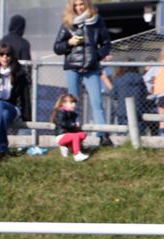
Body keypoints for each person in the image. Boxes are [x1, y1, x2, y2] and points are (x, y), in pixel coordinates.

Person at [54, 0, 112, 146]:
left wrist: (96, 56)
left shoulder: (97, 21)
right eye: (76, 5)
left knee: (97, 103)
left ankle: (103, 135)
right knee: (71, 104)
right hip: (73, 67)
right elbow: (57, 47)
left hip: (91, 68)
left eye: (81, 4)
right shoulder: (68, 23)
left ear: (87, 5)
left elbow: (107, 43)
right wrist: (69, 43)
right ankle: (73, 134)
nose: (79, 8)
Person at [52, 91, 90, 161]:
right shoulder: (61, 112)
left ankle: (70, 147)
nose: (74, 105)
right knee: (75, 136)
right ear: (64, 104)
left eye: (74, 103)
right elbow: (62, 123)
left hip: (68, 135)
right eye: (71, 103)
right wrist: (74, 124)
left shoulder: (72, 114)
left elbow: (72, 128)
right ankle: (77, 155)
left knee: (82, 134)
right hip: (61, 136)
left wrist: (78, 129)